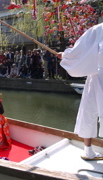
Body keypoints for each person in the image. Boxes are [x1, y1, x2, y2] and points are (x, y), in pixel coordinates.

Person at [57, 23, 103, 160]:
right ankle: (88, 151)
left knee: (88, 110)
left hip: (97, 75)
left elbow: (81, 49)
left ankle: (88, 150)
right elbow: (81, 49)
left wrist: (65, 55)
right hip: (97, 75)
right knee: (88, 110)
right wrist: (65, 55)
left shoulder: (98, 29)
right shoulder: (98, 29)